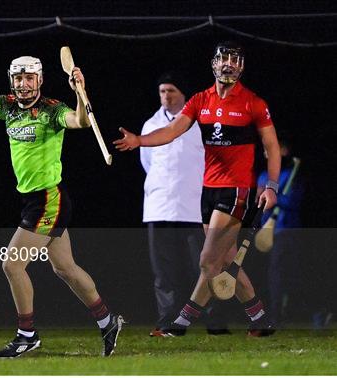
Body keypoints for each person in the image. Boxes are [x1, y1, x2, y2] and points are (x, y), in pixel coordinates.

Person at [0, 53, 123, 357]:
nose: (23, 85)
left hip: (49, 199)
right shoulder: (9, 107)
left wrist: (80, 92)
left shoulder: (52, 111)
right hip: (33, 200)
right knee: (66, 269)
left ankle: (27, 335)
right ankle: (108, 322)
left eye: (29, 78)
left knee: (12, 264)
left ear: (40, 80)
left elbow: (80, 120)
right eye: (18, 79)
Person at [114, 41, 281, 337]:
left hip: (235, 190)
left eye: (234, 60)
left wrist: (271, 186)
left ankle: (181, 322)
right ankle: (260, 318)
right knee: (223, 259)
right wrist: (140, 140)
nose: (228, 65)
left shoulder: (253, 103)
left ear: (241, 66)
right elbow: (171, 131)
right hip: (208, 190)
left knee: (206, 260)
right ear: (214, 63)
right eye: (224, 59)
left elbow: (271, 147)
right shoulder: (200, 100)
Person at [141, 72, 229, 336]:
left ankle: (215, 322)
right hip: (159, 207)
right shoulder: (150, 124)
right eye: (162, 91)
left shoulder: (199, 123)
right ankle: (167, 320)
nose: (166, 96)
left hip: (194, 207)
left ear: (183, 95)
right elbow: (147, 163)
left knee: (205, 266)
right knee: (163, 272)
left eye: (171, 91)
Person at [257, 134, 304, 327]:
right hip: (266, 232)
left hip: (286, 230)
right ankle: (271, 313)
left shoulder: (292, 174)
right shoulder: (263, 176)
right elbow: (260, 203)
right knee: (269, 273)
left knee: (282, 273)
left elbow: (293, 202)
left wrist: (273, 196)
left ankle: (280, 315)